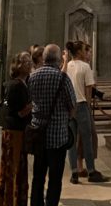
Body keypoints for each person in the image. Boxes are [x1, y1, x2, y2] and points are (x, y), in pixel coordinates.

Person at [26, 44, 75, 206]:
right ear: (59, 59)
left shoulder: (32, 77)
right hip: (57, 137)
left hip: (38, 134)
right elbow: (72, 106)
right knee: (55, 178)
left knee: (38, 177)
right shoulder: (62, 78)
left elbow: (29, 102)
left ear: (44, 58)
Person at [0, 52, 32, 206]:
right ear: (18, 65)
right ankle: (9, 201)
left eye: (29, 61)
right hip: (14, 131)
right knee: (12, 169)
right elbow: (18, 112)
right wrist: (33, 106)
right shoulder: (16, 85)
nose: (29, 64)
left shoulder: (21, 83)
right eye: (25, 61)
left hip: (18, 131)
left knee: (17, 167)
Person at [64, 42, 106, 185]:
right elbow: (89, 89)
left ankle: (74, 173)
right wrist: (88, 107)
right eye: (85, 50)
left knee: (72, 141)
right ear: (80, 52)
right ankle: (91, 171)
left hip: (69, 107)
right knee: (87, 139)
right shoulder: (85, 67)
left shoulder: (67, 65)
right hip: (81, 105)